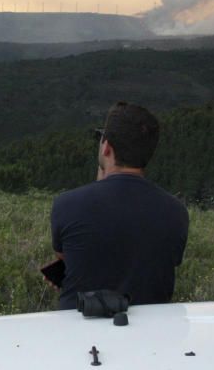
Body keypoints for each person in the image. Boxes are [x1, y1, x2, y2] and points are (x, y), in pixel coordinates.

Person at [50, 101, 188, 310]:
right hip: (150, 335)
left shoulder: (66, 205)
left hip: (79, 331)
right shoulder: (176, 212)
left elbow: (68, 259)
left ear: (106, 147)